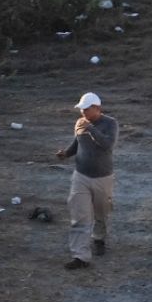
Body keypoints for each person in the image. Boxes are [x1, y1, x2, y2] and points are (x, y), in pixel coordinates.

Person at [57, 92, 119, 270]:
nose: (82, 112)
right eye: (81, 109)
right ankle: (80, 256)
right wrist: (66, 154)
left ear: (97, 108)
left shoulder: (110, 123)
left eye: (86, 109)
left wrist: (90, 128)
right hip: (81, 176)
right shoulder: (80, 123)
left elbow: (107, 145)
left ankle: (99, 238)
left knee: (102, 213)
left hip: (103, 177)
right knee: (79, 215)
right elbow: (77, 143)